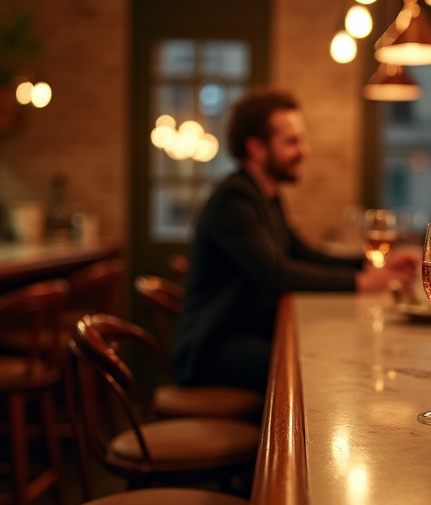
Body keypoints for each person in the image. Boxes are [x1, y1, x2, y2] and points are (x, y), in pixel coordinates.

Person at [174, 88, 417, 392]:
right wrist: (363, 282)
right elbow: (275, 273)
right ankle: (285, 441)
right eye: (292, 141)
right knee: (315, 368)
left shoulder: (265, 195)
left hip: (246, 333)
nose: (305, 151)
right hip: (213, 347)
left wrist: (371, 264)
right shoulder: (234, 199)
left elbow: (305, 254)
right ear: (256, 148)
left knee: (327, 353)